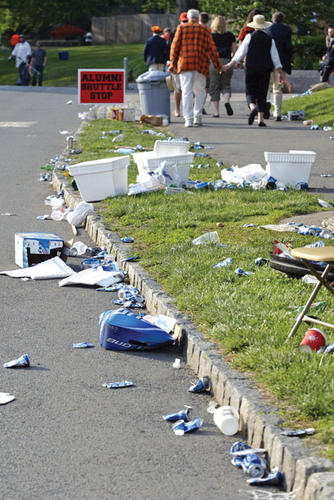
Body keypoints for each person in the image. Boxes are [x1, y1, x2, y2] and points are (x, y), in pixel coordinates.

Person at [223, 15, 283, 127]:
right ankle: (261, 120)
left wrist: (230, 64)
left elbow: (240, 53)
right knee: (262, 92)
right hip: (265, 69)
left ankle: (253, 108)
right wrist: (280, 72)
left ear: (254, 26)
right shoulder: (270, 39)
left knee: (250, 91)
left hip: (251, 67)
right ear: (265, 26)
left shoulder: (249, 37)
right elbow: (275, 57)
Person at [169, 8, 222, 128]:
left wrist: (173, 63)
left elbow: (175, 46)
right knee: (200, 92)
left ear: (188, 18)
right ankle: (197, 117)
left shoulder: (181, 28)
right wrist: (218, 65)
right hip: (201, 65)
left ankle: (188, 119)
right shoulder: (205, 29)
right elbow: (212, 49)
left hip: (185, 64)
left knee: (186, 92)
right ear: (198, 18)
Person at [266, 12, 293, 121]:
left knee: (267, 87)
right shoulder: (287, 29)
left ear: (272, 19)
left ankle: (266, 110)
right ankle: (277, 113)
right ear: (282, 20)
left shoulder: (267, 29)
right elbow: (289, 47)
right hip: (281, 63)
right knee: (278, 88)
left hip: (268, 62)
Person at [209, 15, 237, 117]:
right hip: (227, 61)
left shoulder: (210, 35)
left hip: (214, 62)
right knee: (226, 84)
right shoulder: (230, 35)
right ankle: (227, 101)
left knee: (214, 86)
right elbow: (235, 51)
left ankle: (216, 112)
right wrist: (232, 61)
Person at [167, 12, 188, 118]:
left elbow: (171, 49)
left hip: (183, 64)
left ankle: (182, 110)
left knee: (182, 89)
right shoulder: (175, 32)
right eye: (184, 21)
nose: (185, 23)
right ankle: (179, 109)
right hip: (180, 64)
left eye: (186, 21)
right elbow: (171, 49)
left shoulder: (180, 31)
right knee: (179, 89)